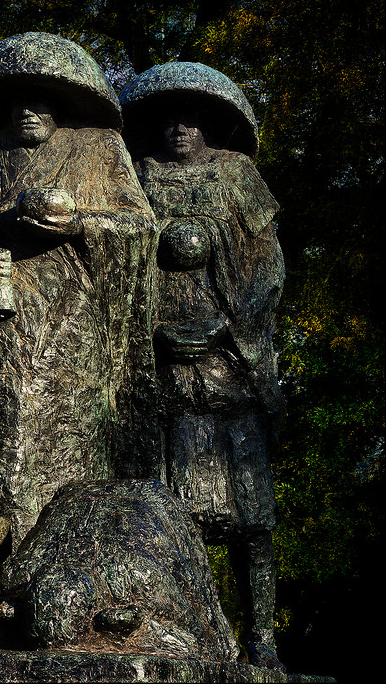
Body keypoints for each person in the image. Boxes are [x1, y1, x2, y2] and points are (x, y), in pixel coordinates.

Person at [0, 33, 158, 543]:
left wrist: (79, 223)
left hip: (75, 314)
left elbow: (140, 224)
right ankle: (8, 551)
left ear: (65, 101)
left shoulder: (100, 148)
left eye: (40, 100)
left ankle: (77, 549)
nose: (27, 111)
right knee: (4, 431)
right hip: (1, 313)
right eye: (17, 101)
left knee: (73, 434)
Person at [120, 61, 286, 671]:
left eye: (190, 118)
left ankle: (262, 632)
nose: (178, 129)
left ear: (210, 122)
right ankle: (190, 626)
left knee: (253, 511)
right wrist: (150, 329)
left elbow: (267, 267)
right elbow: (124, 257)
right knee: (170, 502)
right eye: (167, 120)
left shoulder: (238, 175)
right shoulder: (139, 178)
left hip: (230, 358)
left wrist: (224, 326)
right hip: (163, 355)